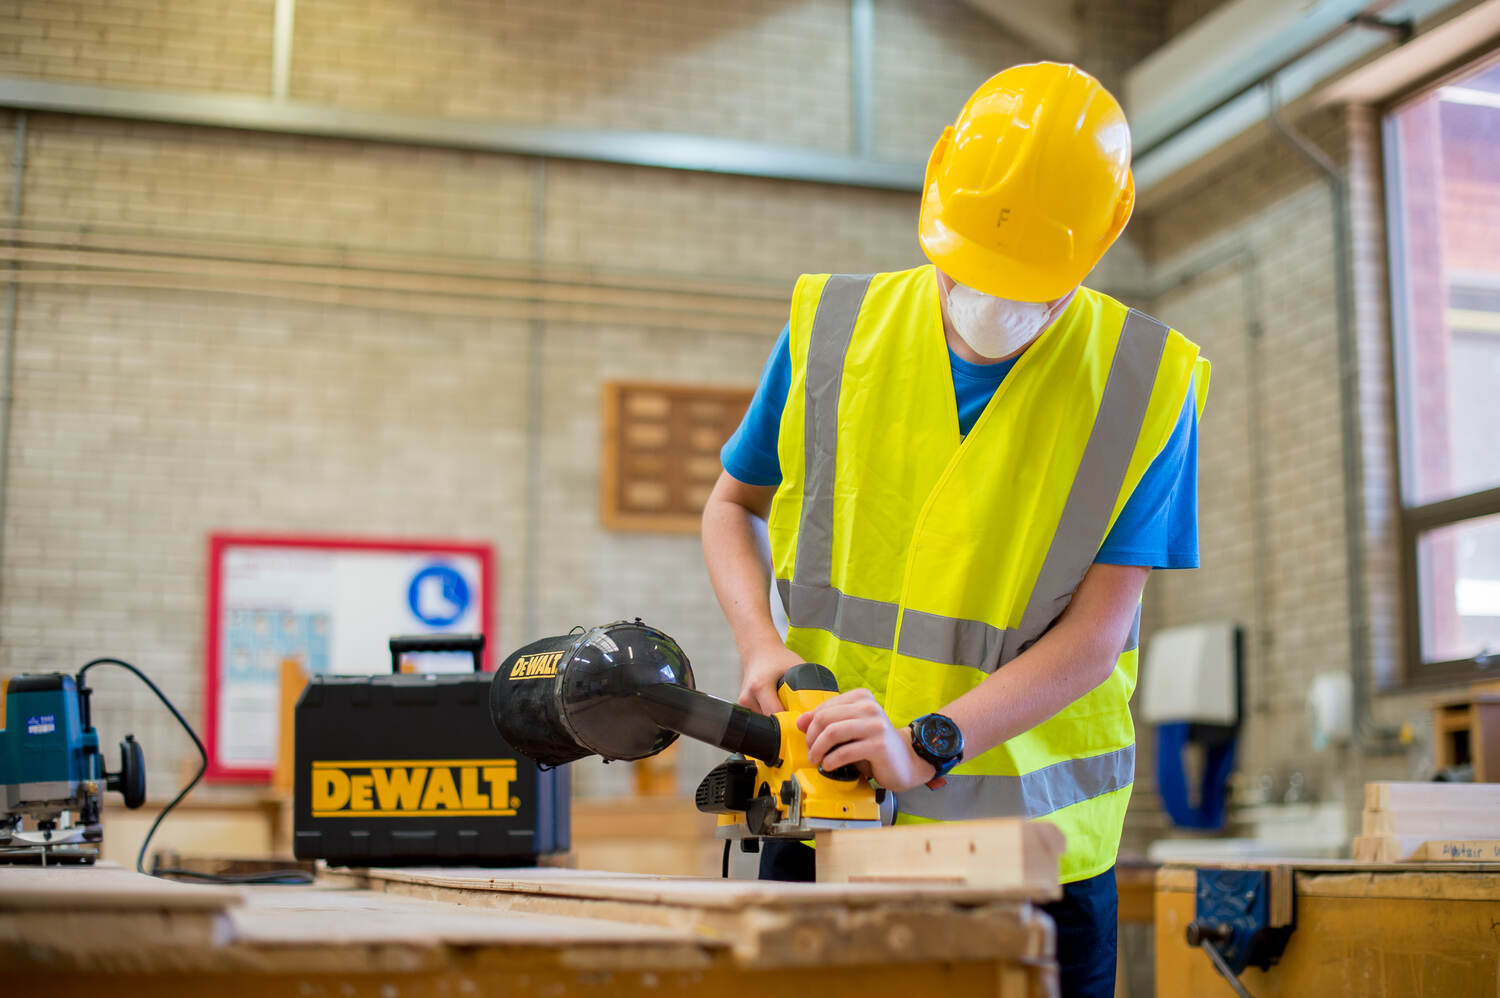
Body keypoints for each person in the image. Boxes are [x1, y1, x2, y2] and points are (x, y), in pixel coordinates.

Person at [700, 61, 1208, 998]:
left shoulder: (1146, 385)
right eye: (971, 265)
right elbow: (729, 506)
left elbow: (1097, 640)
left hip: (1029, 856)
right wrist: (760, 646)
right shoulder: (834, 330)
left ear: (1108, 233)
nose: (994, 296)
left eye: (1030, 279)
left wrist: (925, 743)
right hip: (830, 815)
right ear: (935, 186)